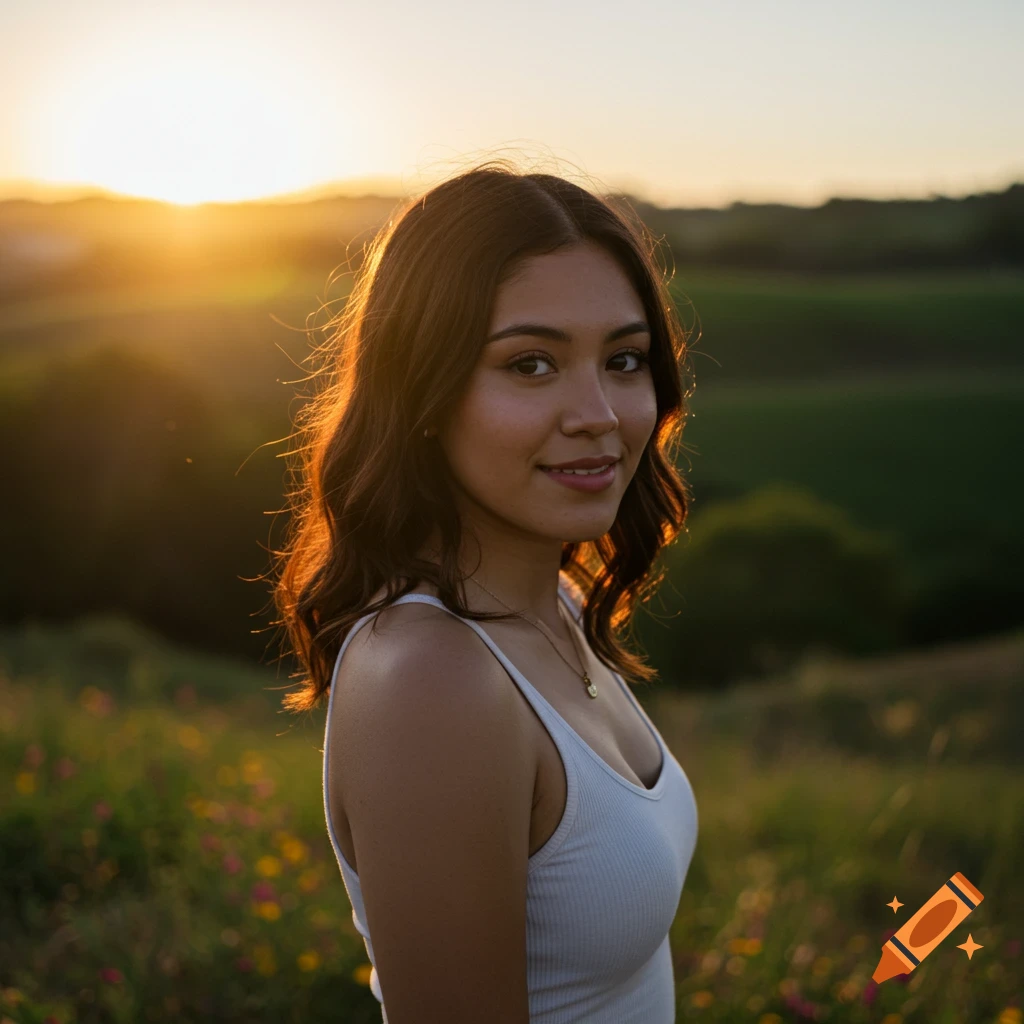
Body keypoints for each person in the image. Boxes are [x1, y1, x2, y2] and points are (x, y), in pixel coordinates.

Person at [272, 159, 700, 1023]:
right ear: (423, 390)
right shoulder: (433, 681)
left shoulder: (557, 605)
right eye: (532, 364)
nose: (599, 412)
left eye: (624, 359)